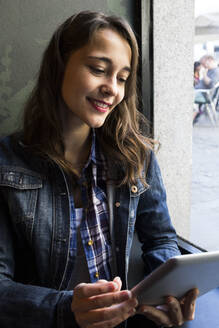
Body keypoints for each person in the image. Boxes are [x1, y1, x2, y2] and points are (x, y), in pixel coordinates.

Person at [0, 11, 198, 328]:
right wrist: (66, 309)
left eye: (122, 78)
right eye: (98, 70)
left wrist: (169, 294)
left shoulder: (136, 155)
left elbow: (161, 241)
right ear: (60, 66)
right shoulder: (7, 163)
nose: (112, 89)